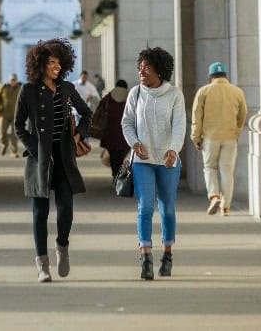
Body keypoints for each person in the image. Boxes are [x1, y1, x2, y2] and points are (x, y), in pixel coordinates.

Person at [15, 38, 92, 283]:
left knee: (66, 208)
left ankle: (62, 246)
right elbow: (18, 126)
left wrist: (80, 131)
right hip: (40, 159)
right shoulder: (28, 90)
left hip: (64, 156)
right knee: (40, 211)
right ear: (40, 65)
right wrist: (35, 149)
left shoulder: (67, 88)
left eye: (59, 62)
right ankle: (42, 265)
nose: (56, 67)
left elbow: (87, 112)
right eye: (51, 63)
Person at [121, 47, 186, 280]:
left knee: (167, 209)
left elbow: (179, 126)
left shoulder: (175, 95)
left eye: (147, 67)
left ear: (159, 70)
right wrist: (134, 142)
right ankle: (146, 257)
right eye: (140, 66)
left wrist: (173, 150)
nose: (141, 71)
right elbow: (127, 122)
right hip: (142, 161)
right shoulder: (135, 93)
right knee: (145, 207)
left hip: (168, 160)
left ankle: (167, 254)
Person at [190, 61, 248, 217]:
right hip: (230, 137)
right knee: (227, 172)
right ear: (226, 75)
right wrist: (236, 131)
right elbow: (242, 114)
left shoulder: (204, 91)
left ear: (210, 76)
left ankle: (214, 195)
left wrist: (196, 137)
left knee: (210, 168)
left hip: (210, 138)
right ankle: (225, 207)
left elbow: (197, 115)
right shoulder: (237, 92)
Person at [98, 79, 131, 181]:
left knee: (113, 154)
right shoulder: (130, 97)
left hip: (110, 131)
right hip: (125, 132)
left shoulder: (108, 97)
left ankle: (115, 174)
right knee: (122, 154)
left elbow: (99, 111)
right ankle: (120, 174)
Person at [0, 73, 22, 157]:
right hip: (4, 114)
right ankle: (4, 144)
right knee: (2, 132)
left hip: (16, 114)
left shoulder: (20, 88)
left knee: (14, 134)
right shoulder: (3, 87)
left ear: (16, 80)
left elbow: (24, 99)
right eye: (11, 80)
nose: (12, 81)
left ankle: (14, 152)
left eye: (14, 80)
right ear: (9, 80)